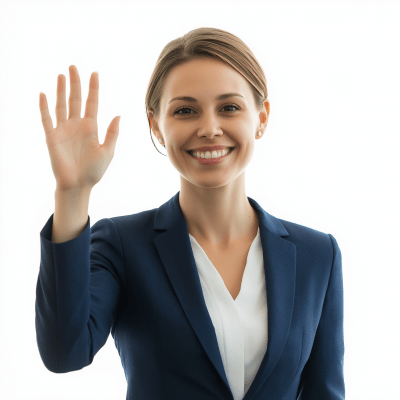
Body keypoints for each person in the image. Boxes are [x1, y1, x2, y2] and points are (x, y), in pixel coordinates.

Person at [35, 27, 345, 400]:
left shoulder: (318, 254)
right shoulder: (122, 245)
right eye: (185, 110)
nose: (209, 128)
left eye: (229, 107)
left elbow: (326, 392)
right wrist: (73, 193)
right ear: (156, 125)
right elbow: (64, 351)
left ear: (261, 118)